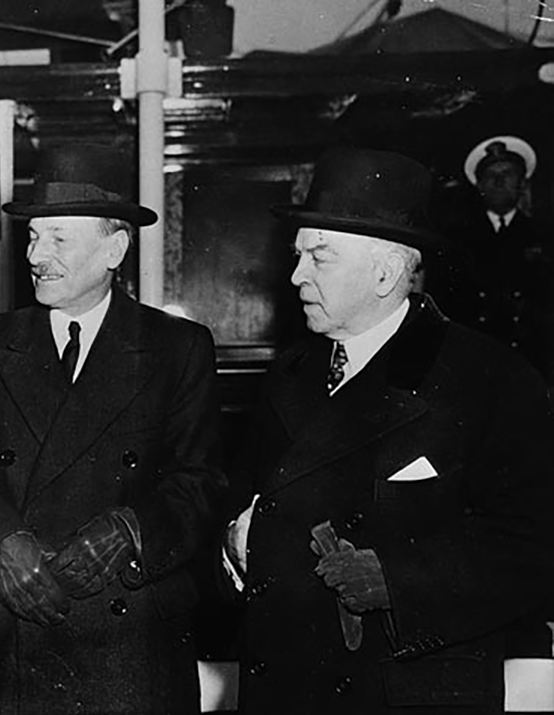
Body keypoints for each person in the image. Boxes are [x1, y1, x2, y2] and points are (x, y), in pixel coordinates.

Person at [222, 146, 554, 713]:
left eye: (318, 258)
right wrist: (234, 545)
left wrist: (396, 580)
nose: (296, 275)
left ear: (385, 272)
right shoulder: (289, 373)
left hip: (405, 688)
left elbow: (533, 545)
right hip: (287, 684)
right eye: (298, 255)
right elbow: (245, 505)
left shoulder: (487, 377)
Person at [0, 142, 226, 715]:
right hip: (11, 641)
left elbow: (202, 481)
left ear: (114, 248)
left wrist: (132, 530)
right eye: (33, 237)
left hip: (130, 646)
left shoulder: (177, 348)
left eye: (59, 238)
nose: (37, 255)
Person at [436, 135, 553, 384]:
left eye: (508, 173)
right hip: (475, 361)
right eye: (491, 175)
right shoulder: (456, 239)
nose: (499, 181)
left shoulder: (544, 236)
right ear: (479, 186)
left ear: (522, 183)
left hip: (531, 360)